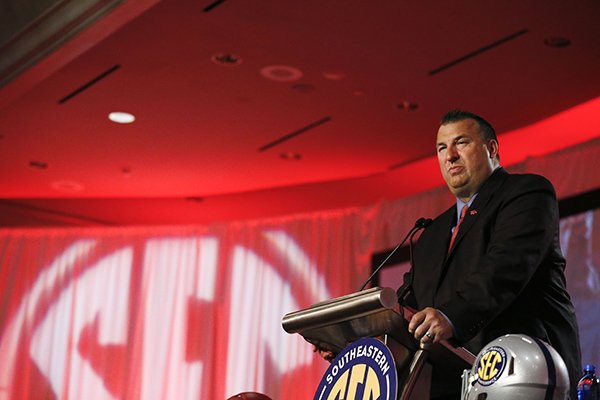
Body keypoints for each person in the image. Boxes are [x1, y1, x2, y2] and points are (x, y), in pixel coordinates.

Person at [403, 109, 581, 399]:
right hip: (450, 386)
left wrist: (450, 316)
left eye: (460, 142)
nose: (450, 155)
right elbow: (408, 305)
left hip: (527, 378)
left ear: (492, 149)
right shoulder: (431, 234)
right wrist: (354, 338)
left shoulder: (526, 193)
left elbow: (505, 267)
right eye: (441, 148)